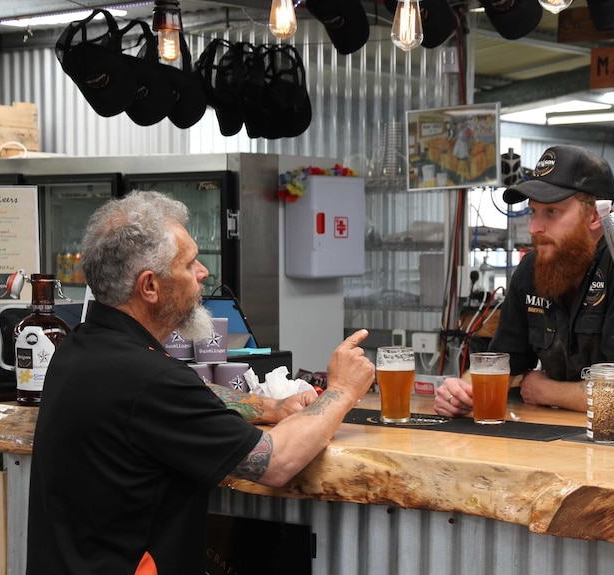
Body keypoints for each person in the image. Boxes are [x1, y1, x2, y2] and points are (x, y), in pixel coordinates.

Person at [26, 191, 375, 575]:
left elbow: (183, 396)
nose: (203, 272)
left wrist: (269, 407)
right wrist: (342, 391)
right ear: (150, 287)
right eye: (190, 263)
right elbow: (278, 462)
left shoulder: (79, 349)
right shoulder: (148, 379)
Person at [435, 145, 614, 416]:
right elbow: (502, 364)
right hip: (570, 433)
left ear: (596, 215)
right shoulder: (535, 266)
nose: (534, 228)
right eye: (533, 212)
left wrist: (544, 390)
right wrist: (460, 392)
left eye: (551, 212)